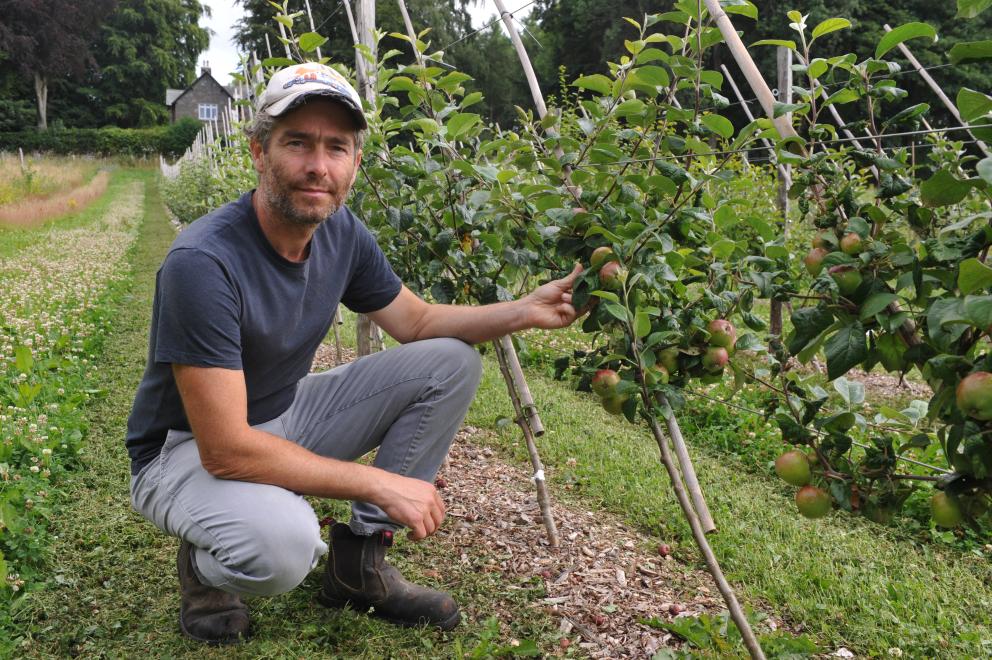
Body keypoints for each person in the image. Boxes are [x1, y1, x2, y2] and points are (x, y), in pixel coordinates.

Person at [125, 62, 583, 645]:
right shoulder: (203, 263)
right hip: (184, 449)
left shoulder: (340, 231)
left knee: (450, 360)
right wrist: (376, 484)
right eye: (298, 143)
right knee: (283, 549)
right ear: (258, 152)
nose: (319, 165)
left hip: (280, 413)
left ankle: (358, 565)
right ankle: (206, 568)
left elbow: (416, 321)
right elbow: (224, 449)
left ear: (355, 163)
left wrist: (525, 310)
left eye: (336, 147)